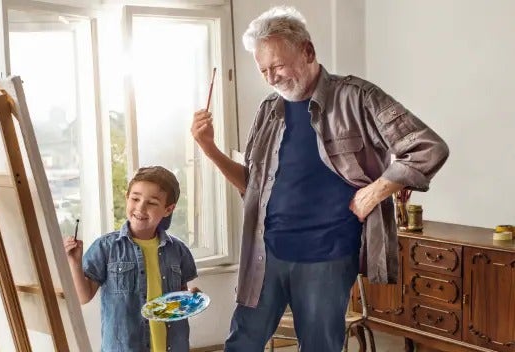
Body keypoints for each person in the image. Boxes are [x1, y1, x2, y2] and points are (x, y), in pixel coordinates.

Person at [190, 6, 449, 352]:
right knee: (241, 343)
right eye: (263, 69)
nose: (270, 78)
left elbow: (429, 147)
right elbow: (253, 188)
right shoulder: (269, 109)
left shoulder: (358, 98)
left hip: (326, 257)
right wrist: (210, 149)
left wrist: (376, 191)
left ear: (308, 51)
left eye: (278, 65)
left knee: (319, 347)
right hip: (266, 254)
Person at [64, 166, 198, 352]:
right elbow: (83, 296)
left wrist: (191, 298)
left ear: (168, 209)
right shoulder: (106, 247)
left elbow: (180, 298)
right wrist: (74, 262)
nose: (140, 208)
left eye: (152, 203)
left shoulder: (178, 250)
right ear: (127, 198)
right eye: (135, 199)